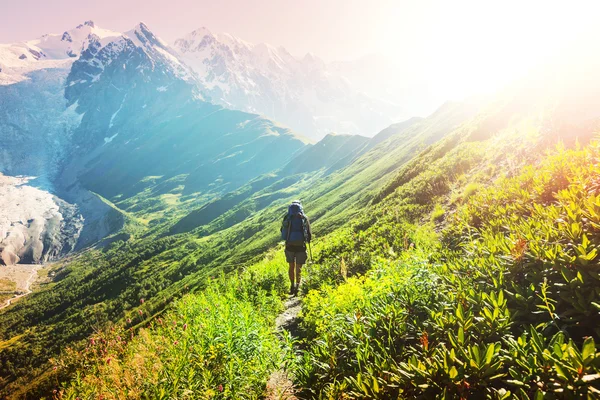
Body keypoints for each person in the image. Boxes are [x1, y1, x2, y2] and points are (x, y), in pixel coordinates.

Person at [281, 200, 312, 295]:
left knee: (291, 265)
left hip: (290, 244)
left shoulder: (287, 217)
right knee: (299, 266)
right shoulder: (304, 217)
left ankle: (292, 285)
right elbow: (309, 232)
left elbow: (282, 230)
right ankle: (298, 286)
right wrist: (308, 240)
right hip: (300, 245)